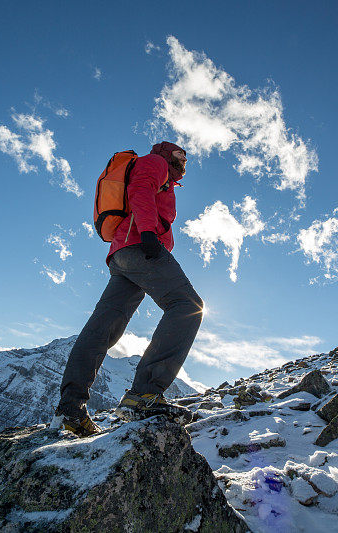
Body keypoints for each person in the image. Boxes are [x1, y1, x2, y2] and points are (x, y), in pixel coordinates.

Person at [54, 141, 204, 437]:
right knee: (187, 306)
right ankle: (144, 395)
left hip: (123, 254)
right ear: (166, 153)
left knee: (102, 328)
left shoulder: (164, 175)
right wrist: (148, 232)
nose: (184, 157)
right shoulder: (155, 163)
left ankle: (70, 409)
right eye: (179, 152)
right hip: (141, 247)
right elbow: (140, 190)